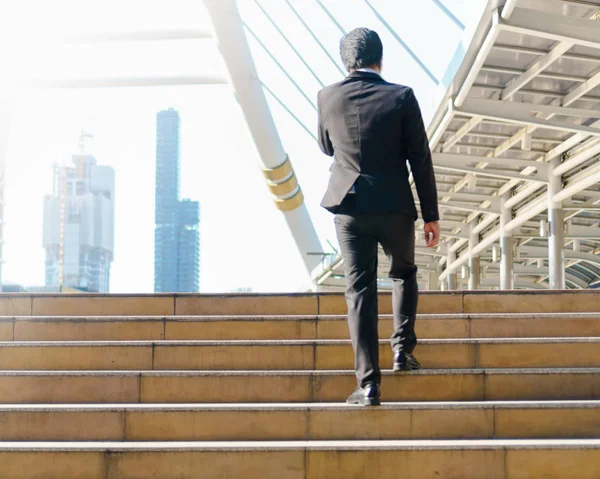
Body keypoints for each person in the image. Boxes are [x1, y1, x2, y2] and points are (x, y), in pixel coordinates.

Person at [317, 27, 440, 406]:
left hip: (349, 205)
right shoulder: (402, 97)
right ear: (380, 59)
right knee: (403, 273)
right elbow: (419, 157)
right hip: (395, 205)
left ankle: (368, 384)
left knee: (360, 291)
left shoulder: (327, 97)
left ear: (345, 61)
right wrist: (430, 215)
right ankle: (402, 353)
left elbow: (325, 146)